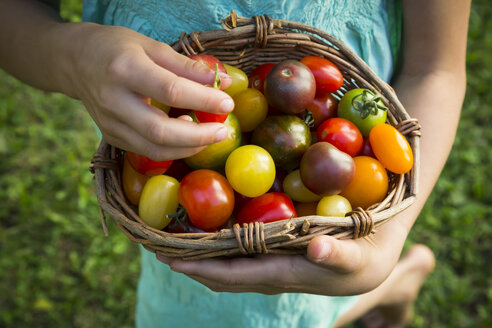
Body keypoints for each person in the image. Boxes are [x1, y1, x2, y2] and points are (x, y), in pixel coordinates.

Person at [0, 0, 470, 327]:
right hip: (165, 166)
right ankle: (396, 288)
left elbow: (437, 68)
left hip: (326, 174)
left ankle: (394, 281)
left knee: (299, 308)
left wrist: (389, 240)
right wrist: (72, 56)